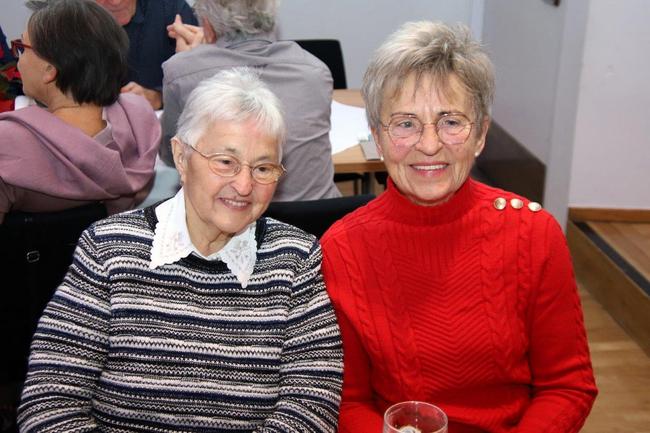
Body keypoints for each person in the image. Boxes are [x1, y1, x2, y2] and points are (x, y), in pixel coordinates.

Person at [17, 67, 343, 432]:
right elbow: (49, 405)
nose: (244, 185)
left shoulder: (295, 259)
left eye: (263, 168)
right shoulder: (107, 249)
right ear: (182, 157)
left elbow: (311, 406)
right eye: (225, 162)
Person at [320, 21, 598, 433]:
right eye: (406, 123)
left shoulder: (533, 233)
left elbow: (567, 386)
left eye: (451, 121)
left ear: (480, 134)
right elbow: (349, 400)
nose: (429, 144)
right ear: (377, 138)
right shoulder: (342, 249)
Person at [162, 0, 340, 202]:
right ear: (271, 19)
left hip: (231, 211)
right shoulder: (316, 71)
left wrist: (188, 61)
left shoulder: (182, 71)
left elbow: (172, 155)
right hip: (318, 215)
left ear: (208, 26)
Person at [0, 0, 159, 225]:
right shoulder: (139, 120)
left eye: (22, 48)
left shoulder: (7, 145)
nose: (18, 58)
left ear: (49, 70)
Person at [96, 0, 197, 109]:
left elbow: (199, 87)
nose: (116, 2)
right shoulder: (81, 20)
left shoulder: (171, 10)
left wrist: (159, 98)